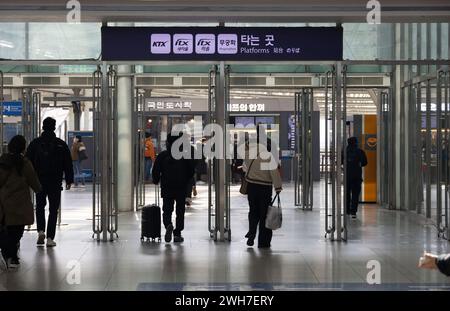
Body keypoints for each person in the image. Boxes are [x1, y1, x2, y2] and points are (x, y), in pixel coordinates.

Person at [25, 117, 74, 247]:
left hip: (38, 181)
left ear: (43, 126)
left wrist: (27, 180)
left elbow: (27, 162)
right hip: (55, 181)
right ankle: (50, 238)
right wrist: (69, 179)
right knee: (53, 209)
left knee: (40, 206)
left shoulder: (35, 143)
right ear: (53, 127)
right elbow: (67, 163)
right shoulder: (61, 144)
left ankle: (41, 230)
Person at [0, 135, 41, 269]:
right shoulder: (24, 163)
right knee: (17, 231)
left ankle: (10, 255)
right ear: (23, 148)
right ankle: (11, 256)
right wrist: (38, 189)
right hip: (20, 203)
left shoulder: (2, 161)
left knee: (7, 229)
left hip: (4, 202)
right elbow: (33, 180)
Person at [243, 130, 282, 249]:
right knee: (264, 214)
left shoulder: (249, 154)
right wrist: (278, 187)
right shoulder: (267, 155)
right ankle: (263, 242)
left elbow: (245, 168)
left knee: (253, 211)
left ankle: (251, 232)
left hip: (251, 187)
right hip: (264, 188)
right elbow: (274, 172)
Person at [152, 134, 195, 243]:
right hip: (181, 187)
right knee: (180, 211)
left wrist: (156, 180)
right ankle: (177, 233)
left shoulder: (163, 156)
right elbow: (191, 171)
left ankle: (168, 225)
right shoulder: (185, 156)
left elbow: (156, 170)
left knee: (167, 209)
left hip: (167, 187)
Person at [345, 137, 368, 219]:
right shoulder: (360, 151)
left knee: (347, 194)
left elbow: (339, 162)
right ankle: (353, 211)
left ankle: (347, 210)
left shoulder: (345, 152)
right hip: (357, 176)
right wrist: (359, 164)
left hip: (347, 176)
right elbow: (365, 162)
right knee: (355, 194)